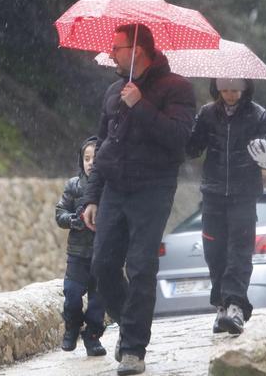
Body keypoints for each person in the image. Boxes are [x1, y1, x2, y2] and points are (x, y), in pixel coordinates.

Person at [82, 23, 195, 376]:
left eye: (117, 47)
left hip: (154, 188)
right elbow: (103, 146)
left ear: (138, 51)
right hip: (115, 188)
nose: (111, 53)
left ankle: (133, 348)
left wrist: (142, 106)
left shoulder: (178, 88)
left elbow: (180, 140)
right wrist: (92, 197)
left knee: (142, 266)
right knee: (102, 265)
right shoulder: (114, 91)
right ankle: (130, 323)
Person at [186, 77, 266, 335]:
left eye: (235, 90)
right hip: (213, 193)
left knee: (239, 251)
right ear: (217, 88)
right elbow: (193, 148)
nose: (230, 95)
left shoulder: (259, 116)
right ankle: (222, 306)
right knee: (214, 253)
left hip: (244, 195)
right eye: (225, 89)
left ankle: (236, 306)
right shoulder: (206, 113)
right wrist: (184, 126)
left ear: (246, 87)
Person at [54, 136, 107, 357]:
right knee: (72, 294)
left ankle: (93, 336)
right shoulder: (73, 186)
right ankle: (72, 327)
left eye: (95, 158)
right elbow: (59, 213)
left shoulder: (109, 187)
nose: (90, 162)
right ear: (81, 161)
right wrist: (71, 221)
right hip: (77, 253)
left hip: (103, 254)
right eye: (86, 158)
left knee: (98, 300)